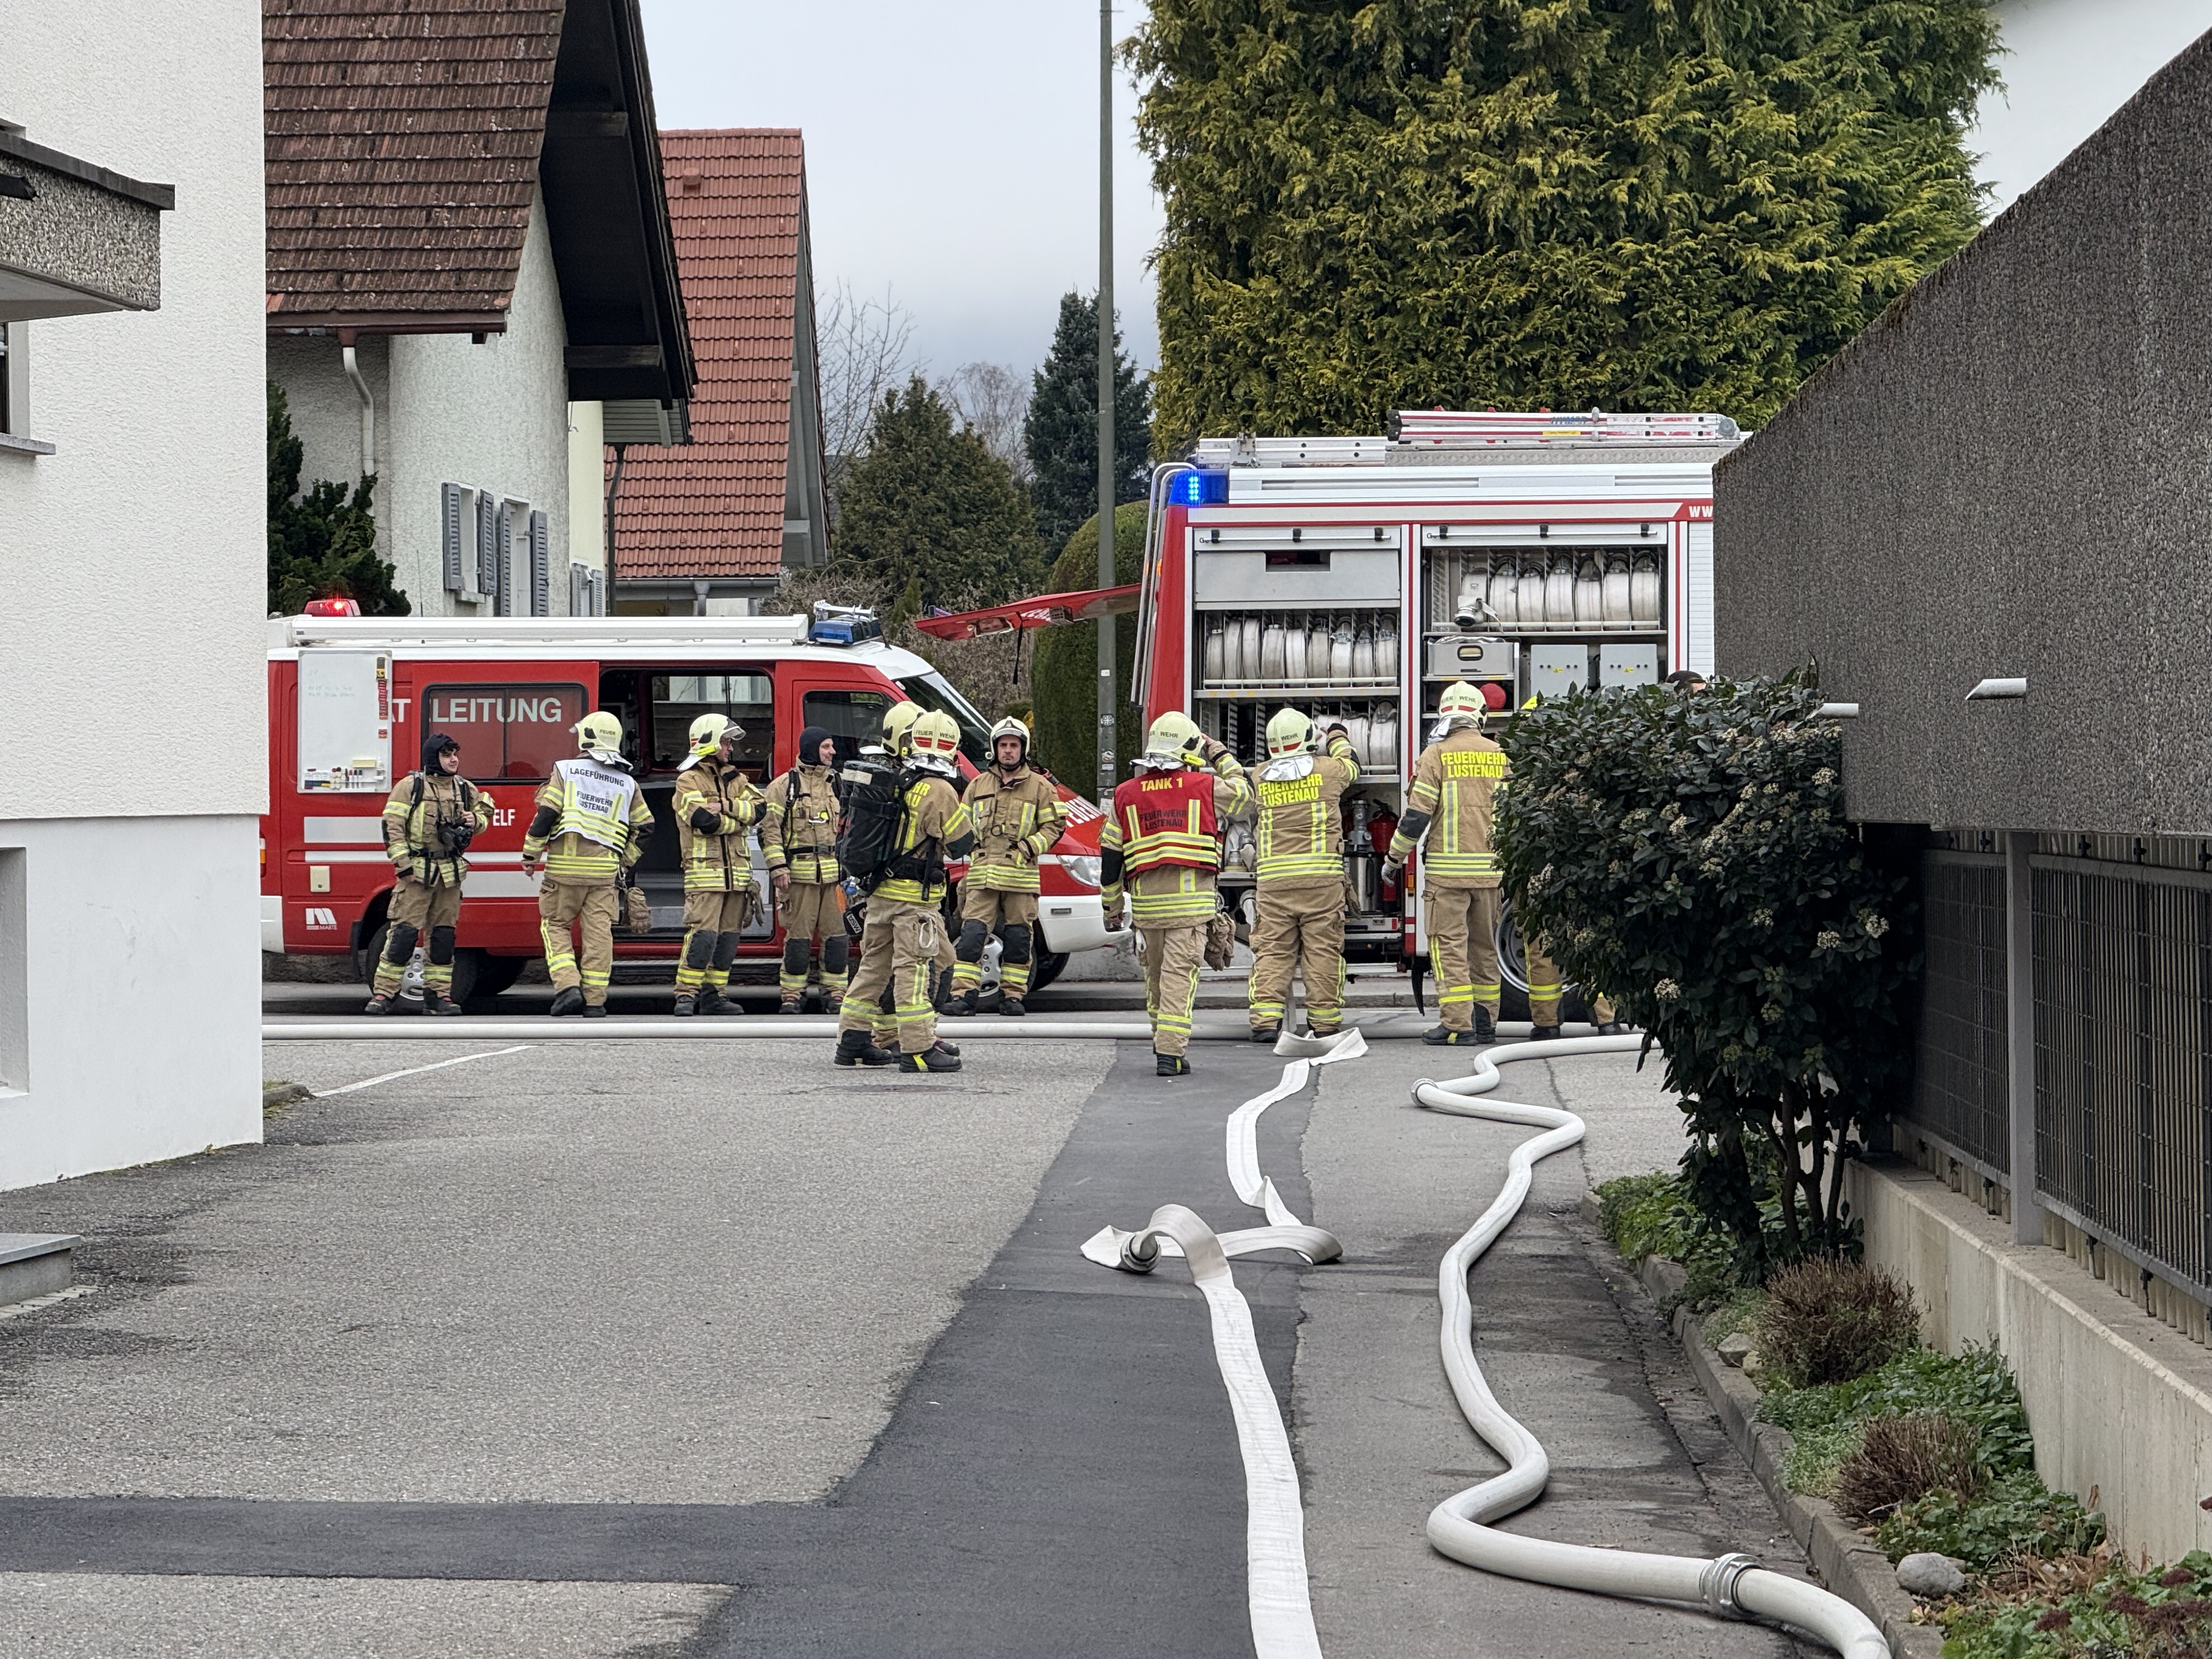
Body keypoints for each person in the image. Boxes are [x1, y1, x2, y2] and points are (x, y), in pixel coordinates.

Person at [1100, 712, 1251, 1077]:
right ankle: (1170, 1054)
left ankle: (1162, 1042)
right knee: (1179, 981)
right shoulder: (1202, 786)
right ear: (1188, 750)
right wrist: (1219, 754)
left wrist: (1112, 907)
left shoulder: (1125, 794)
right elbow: (1246, 795)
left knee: (1155, 981)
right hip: (1189, 907)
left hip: (1148, 909)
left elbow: (1110, 858)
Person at [835, 708, 974, 1073]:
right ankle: (917, 1048)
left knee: (873, 968)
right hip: (914, 901)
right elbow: (962, 843)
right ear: (952, 747)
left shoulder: (900, 778)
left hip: (880, 895)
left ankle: (852, 1041)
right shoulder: (941, 790)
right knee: (915, 970)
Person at [1383, 681, 1508, 1046]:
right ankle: (1486, 1024)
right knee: (1485, 950)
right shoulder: (1501, 755)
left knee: (1449, 948)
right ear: (1478, 715)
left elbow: (1416, 817)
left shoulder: (1436, 755)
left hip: (1447, 878)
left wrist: (1393, 859)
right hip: (1490, 876)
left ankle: (1458, 1024)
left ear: (1446, 716)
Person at [522, 710, 654, 1018]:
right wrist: (624, 861)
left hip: (564, 871)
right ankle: (595, 1002)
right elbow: (646, 827)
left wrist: (531, 855)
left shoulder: (566, 771)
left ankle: (568, 988)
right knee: (599, 936)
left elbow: (547, 814)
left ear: (586, 737)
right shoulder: (626, 781)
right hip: (604, 874)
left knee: (555, 925)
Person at [1246, 707, 1359, 1042]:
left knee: (1272, 952)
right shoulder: (1329, 771)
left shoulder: (1260, 777)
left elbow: (1235, 786)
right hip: (1321, 884)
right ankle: (1324, 1023)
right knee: (1323, 952)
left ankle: (1266, 1021)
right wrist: (1336, 733)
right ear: (1310, 740)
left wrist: (1218, 752)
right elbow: (1353, 764)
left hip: (1274, 885)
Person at [945, 716, 1066, 1018]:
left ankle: (1012, 997)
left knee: (1017, 940)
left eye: (1013, 745)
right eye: (1003, 745)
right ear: (994, 749)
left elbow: (1055, 826)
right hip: (983, 877)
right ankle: (963, 995)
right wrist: (970, 847)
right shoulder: (977, 785)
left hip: (1020, 879)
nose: (1008, 751)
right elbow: (961, 824)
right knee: (971, 937)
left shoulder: (1040, 787)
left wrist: (1027, 848)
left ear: (1022, 749)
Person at [366, 731, 494, 1016]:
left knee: (443, 938)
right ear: (433, 758)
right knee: (403, 936)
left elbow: (487, 808)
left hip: (450, 873)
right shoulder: (411, 787)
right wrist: (403, 866)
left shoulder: (463, 788)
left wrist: (478, 820)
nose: (453, 760)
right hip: (417, 874)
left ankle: (438, 997)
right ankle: (384, 995)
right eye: (447, 755)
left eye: (455, 754)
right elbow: (392, 826)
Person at [671, 713, 763, 1017]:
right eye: (725, 741)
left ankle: (715, 996)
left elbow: (761, 810)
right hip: (705, 874)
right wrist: (738, 822)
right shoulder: (688, 780)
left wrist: (726, 806)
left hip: (737, 875)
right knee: (703, 936)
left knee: (727, 940)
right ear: (710, 742)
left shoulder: (737, 779)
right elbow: (703, 822)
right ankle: (686, 995)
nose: (730, 748)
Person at [761, 724, 847, 1014]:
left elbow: (849, 830)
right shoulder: (784, 787)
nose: (832, 752)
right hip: (797, 877)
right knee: (798, 941)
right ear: (811, 748)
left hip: (834, 878)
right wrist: (777, 868)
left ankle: (835, 994)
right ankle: (792, 996)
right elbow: (769, 831)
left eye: (832, 746)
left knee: (837, 938)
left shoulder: (838, 784)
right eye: (826, 747)